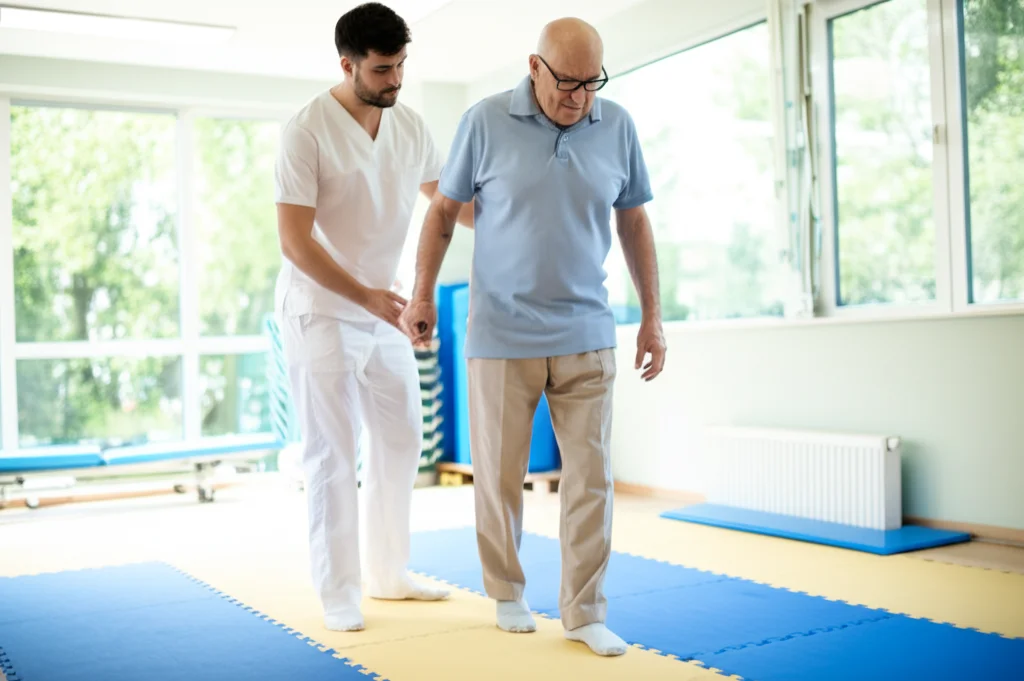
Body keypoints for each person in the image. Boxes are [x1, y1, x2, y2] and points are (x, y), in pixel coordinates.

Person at [400, 17, 666, 657]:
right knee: (497, 477)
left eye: (590, 83)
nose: (577, 96)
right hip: (500, 332)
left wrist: (653, 315)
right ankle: (508, 592)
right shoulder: (485, 121)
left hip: (586, 330)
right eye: (565, 82)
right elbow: (442, 211)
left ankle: (584, 610)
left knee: (592, 479)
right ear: (533, 66)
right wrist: (422, 293)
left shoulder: (618, 126)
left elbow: (633, 222)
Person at [273, 2, 472, 633]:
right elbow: (295, 242)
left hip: (380, 307)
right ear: (348, 64)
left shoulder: (409, 127)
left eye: (403, 65)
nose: (396, 80)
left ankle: (389, 571)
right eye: (384, 69)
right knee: (331, 453)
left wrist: (517, 219)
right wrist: (366, 295)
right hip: (320, 310)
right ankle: (339, 591)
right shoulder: (306, 130)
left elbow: (447, 207)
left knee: (401, 435)